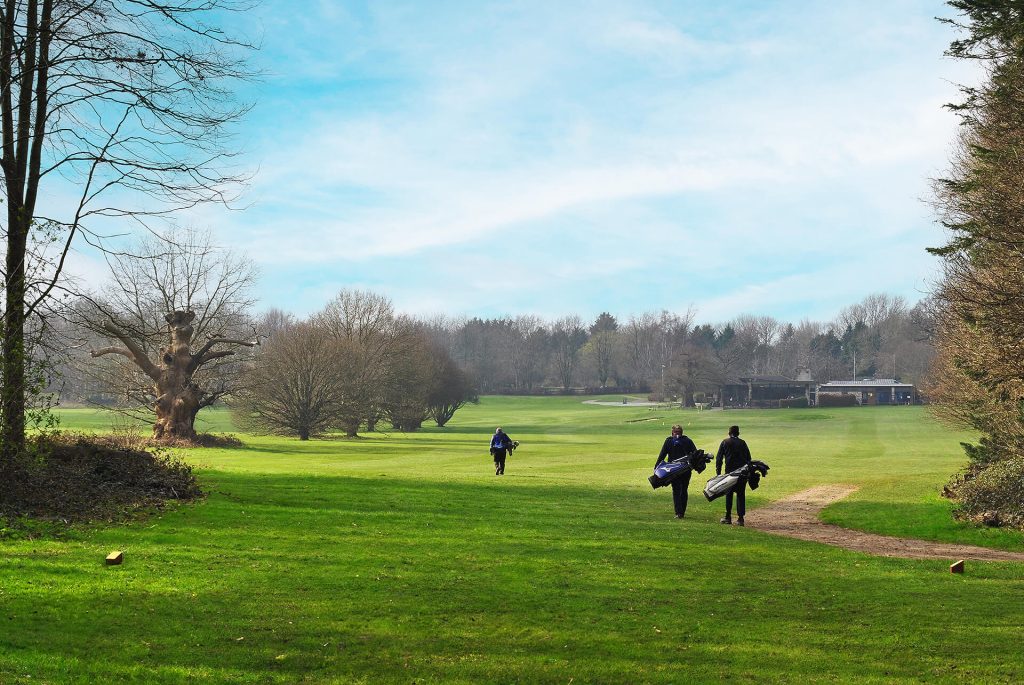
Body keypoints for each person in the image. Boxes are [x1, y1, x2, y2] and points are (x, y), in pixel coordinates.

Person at [655, 424, 698, 519]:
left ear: (672, 432)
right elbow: (695, 454)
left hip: (673, 470)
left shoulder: (668, 441)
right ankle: (682, 512)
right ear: (682, 432)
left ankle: (678, 512)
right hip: (686, 470)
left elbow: (662, 455)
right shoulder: (688, 441)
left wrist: (656, 468)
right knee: (684, 490)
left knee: (676, 490)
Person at [715, 425, 752, 526]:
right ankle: (740, 519)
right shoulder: (743, 443)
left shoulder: (725, 442)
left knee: (729, 494)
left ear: (729, 433)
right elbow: (749, 458)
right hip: (741, 473)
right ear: (738, 433)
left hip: (729, 473)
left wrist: (718, 473)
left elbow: (719, 459)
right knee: (740, 495)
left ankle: (728, 517)